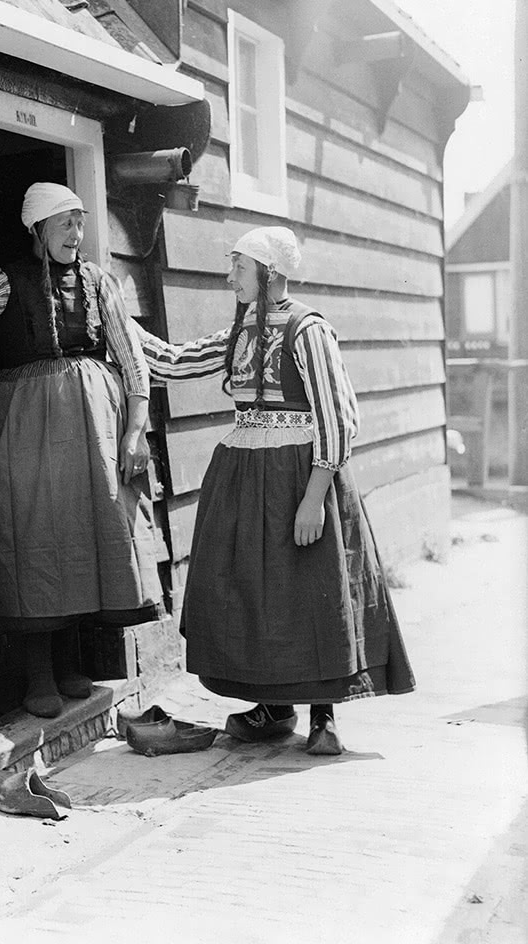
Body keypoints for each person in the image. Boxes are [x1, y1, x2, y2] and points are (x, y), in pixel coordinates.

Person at [134, 226, 415, 754]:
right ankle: (272, 708)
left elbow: (337, 417)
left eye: (238, 268)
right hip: (245, 478)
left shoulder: (308, 330)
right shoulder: (241, 330)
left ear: (270, 273)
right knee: (254, 592)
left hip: (300, 476)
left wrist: (314, 497)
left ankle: (324, 717)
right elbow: (176, 362)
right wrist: (121, 325)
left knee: (311, 589)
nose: (229, 276)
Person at [0, 182, 162, 718]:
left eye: (80, 223)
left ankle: (73, 665)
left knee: (81, 532)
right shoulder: (9, 282)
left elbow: (132, 359)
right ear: (38, 230)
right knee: (34, 538)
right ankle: (38, 676)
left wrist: (135, 430)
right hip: (26, 433)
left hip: (92, 431)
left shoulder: (100, 283)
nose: (76, 235)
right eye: (64, 224)